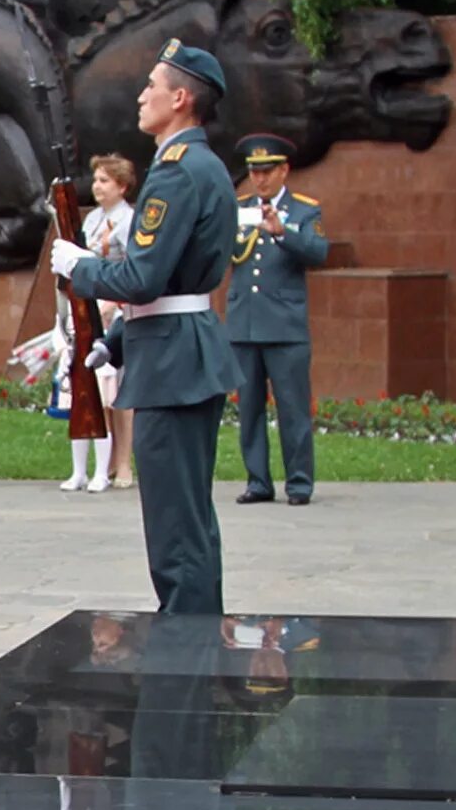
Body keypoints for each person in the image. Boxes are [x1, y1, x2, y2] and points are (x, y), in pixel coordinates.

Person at [54, 40, 242, 614]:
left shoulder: (177, 173)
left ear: (180, 98)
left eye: (152, 85)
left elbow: (143, 277)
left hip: (173, 366)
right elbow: (174, 284)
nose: (142, 95)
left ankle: (186, 653)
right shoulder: (195, 166)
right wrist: (114, 343)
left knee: (175, 529)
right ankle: (194, 639)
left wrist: (80, 267)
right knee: (186, 518)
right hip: (176, 351)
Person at [226, 132, 327, 507]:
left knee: (292, 408)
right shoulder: (239, 208)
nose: (260, 179)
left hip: (284, 325)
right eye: (254, 171)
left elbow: (318, 252)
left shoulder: (304, 210)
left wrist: (283, 232)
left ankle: (299, 483)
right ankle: (258, 481)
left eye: (267, 171)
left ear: (284, 170)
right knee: (249, 408)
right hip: (245, 323)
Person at [80, 154, 138, 490]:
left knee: (119, 393)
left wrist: (113, 302)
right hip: (92, 307)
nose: (97, 187)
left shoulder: (130, 220)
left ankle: (124, 462)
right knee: (100, 391)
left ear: (122, 186)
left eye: (105, 181)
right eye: (96, 180)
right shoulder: (92, 221)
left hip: (118, 310)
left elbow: (133, 270)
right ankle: (105, 460)